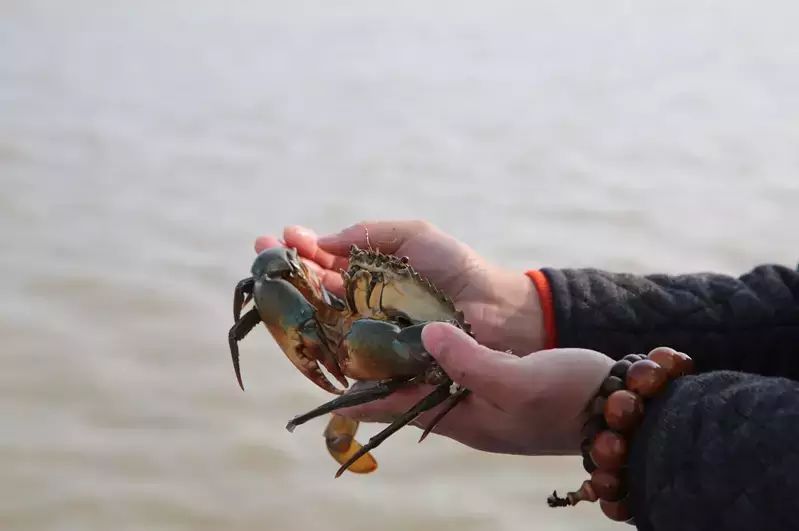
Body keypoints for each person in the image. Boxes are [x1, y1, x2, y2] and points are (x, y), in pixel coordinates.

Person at [254, 220, 799, 531]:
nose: (365, 283)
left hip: (429, 351)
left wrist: (632, 423)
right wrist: (525, 304)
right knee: (272, 269)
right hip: (410, 341)